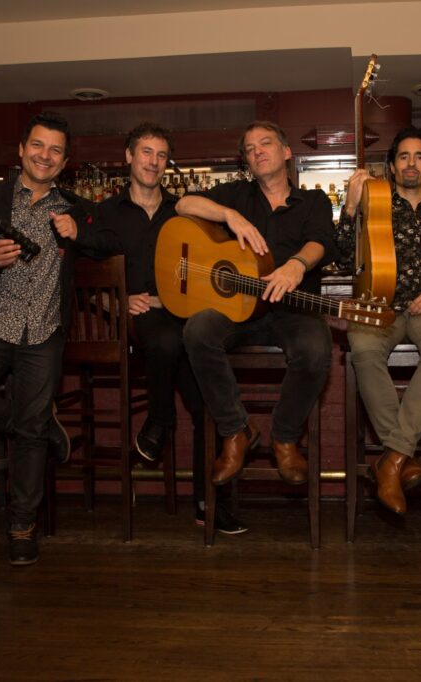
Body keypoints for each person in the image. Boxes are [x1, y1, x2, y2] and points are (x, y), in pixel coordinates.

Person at [0, 112, 115, 566]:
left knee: (30, 434)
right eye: (38, 146)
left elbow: (109, 242)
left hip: (43, 329)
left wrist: (82, 233)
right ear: (21, 150)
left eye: (55, 150)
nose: (45, 155)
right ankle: (37, 421)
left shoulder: (75, 207)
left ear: (65, 160)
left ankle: (22, 526)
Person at [94, 122, 246, 535]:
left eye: (161, 155)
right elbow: (82, 271)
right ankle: (160, 420)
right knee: (162, 337)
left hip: (180, 320)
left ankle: (208, 502)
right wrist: (116, 301)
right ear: (128, 156)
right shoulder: (106, 213)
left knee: (206, 404)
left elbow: (211, 258)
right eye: (146, 152)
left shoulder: (183, 210)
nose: (153, 162)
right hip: (136, 320)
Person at [177, 120, 336, 492]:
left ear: (286, 152)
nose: (257, 151)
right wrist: (228, 215)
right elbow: (183, 204)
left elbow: (321, 242)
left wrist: (297, 265)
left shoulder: (312, 201)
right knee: (197, 331)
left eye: (266, 143)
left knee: (316, 350)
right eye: (249, 148)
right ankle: (236, 431)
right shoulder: (236, 195)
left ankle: (283, 437)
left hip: (293, 310)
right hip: (240, 309)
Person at [335, 127, 421, 515]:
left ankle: (390, 457)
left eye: (420, 157)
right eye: (404, 157)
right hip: (379, 304)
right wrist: (349, 207)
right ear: (392, 167)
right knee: (361, 344)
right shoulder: (372, 206)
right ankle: (400, 458)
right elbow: (345, 258)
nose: (411, 163)